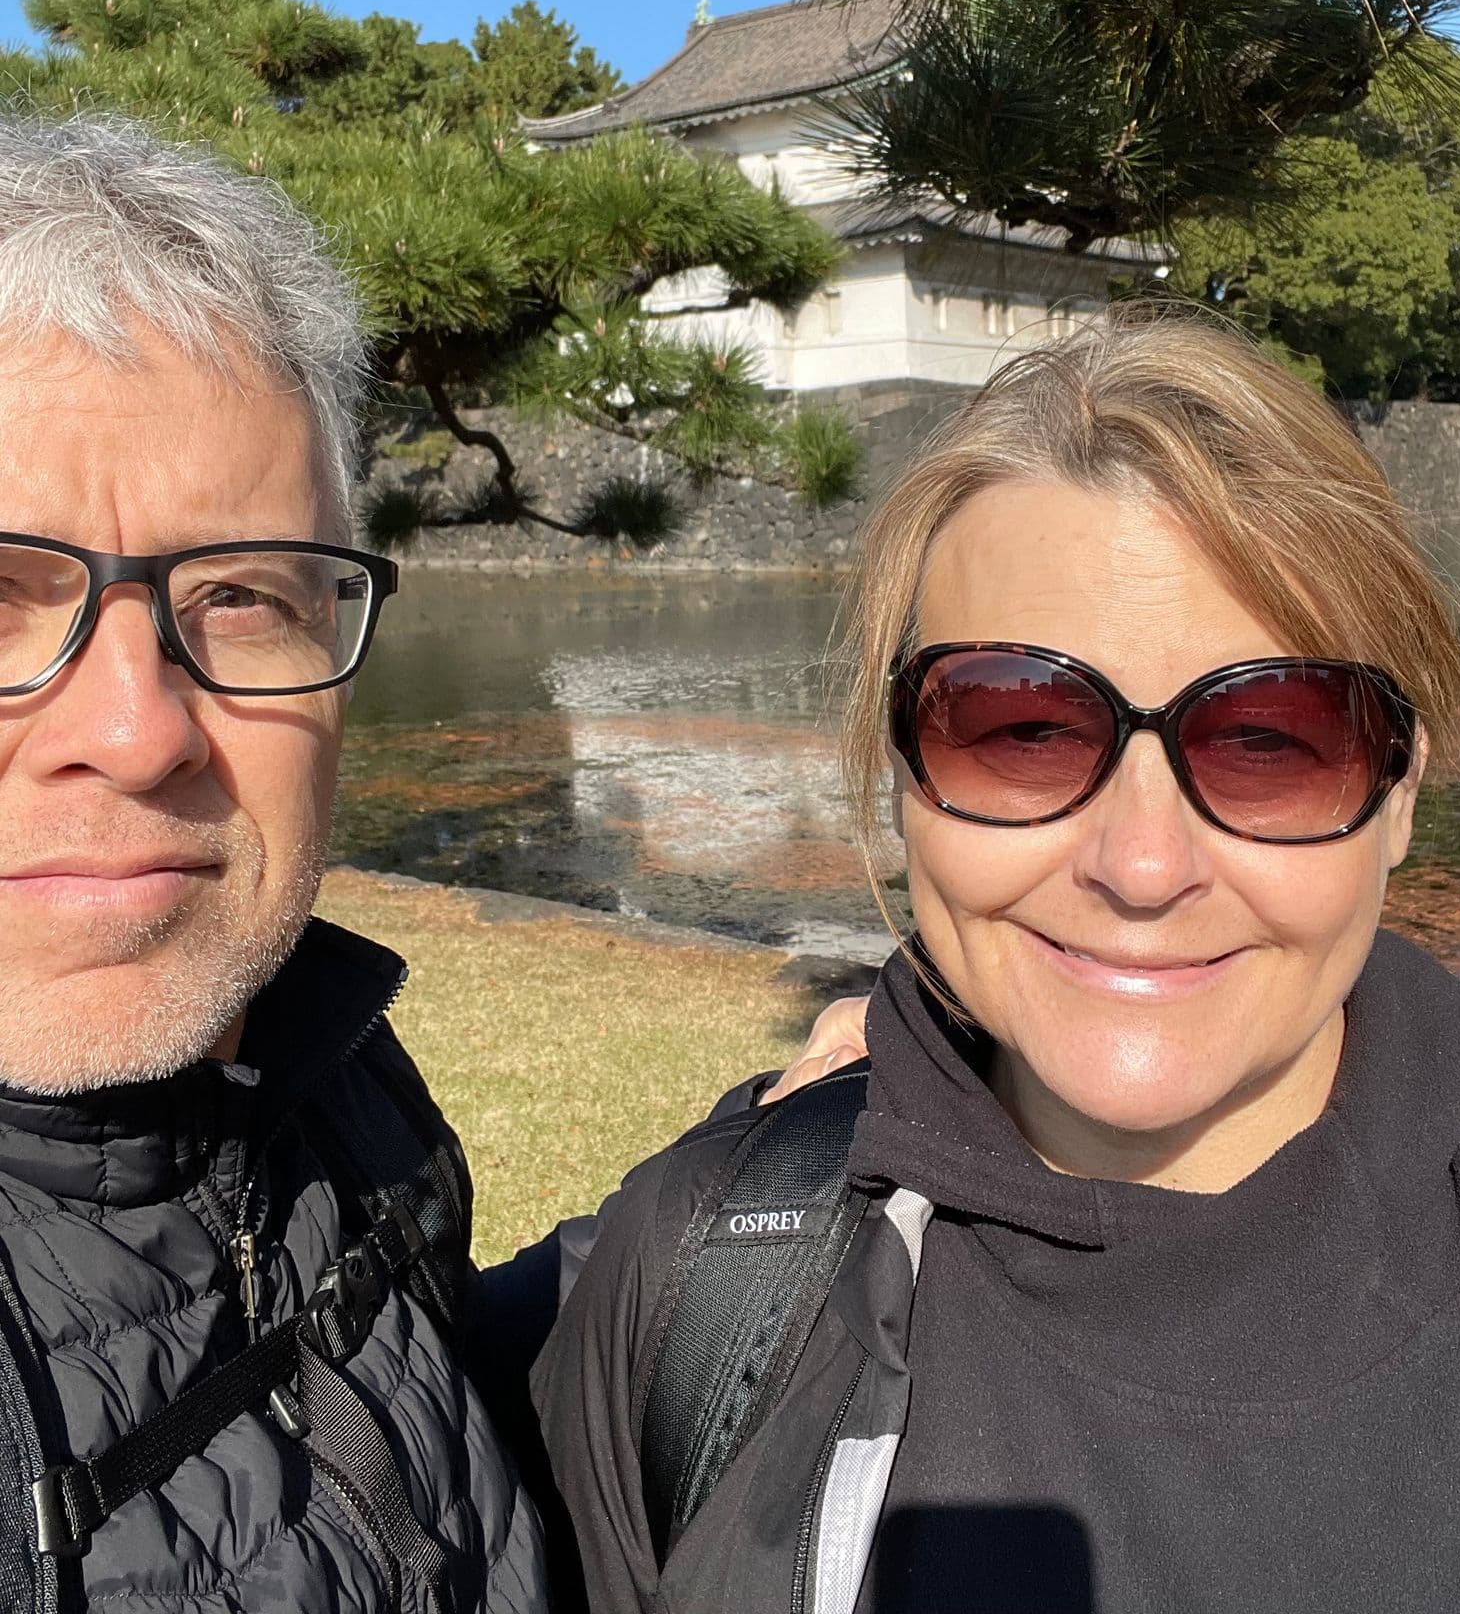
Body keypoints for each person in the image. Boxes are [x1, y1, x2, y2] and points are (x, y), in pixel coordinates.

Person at [532, 310, 1460, 1613]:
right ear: (903, 777)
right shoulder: (698, 1273)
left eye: (1273, 737)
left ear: (1399, 790)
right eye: (1019, 729)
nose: (1141, 864)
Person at [0, 111, 849, 1614]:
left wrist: (745, 1187)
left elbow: (407, 1416)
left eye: (246, 593)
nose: (137, 731)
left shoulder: (307, 1062)